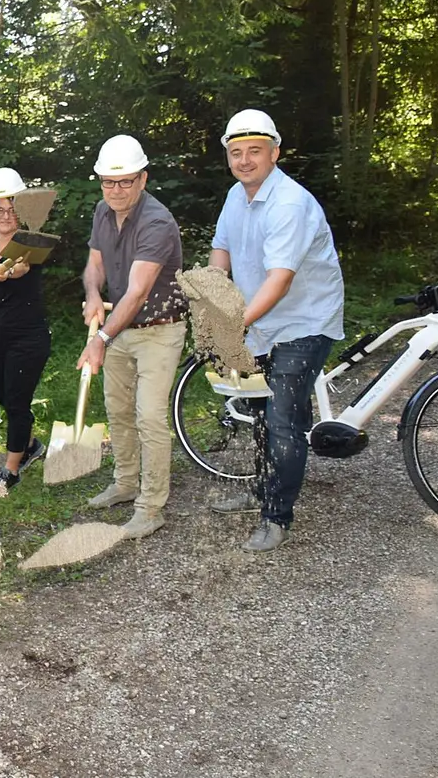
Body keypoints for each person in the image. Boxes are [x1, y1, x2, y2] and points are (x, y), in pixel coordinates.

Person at [207, 110, 345, 553]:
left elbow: (280, 280)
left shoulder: (289, 203)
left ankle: (276, 517)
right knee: (260, 412)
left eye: (254, 152)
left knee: (282, 418)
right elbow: (221, 250)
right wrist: (214, 298)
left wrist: (232, 324)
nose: (244, 160)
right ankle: (261, 488)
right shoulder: (235, 195)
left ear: (275, 153)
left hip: (303, 321)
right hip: (257, 321)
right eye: (236, 152)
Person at [77, 136, 189, 540]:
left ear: (143, 179)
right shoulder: (102, 213)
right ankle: (125, 484)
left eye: (125, 181)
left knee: (150, 417)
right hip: (119, 328)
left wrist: (100, 339)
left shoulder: (157, 222)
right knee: (118, 411)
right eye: (109, 181)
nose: (117, 189)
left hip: (159, 328)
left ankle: (151, 506)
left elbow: (139, 291)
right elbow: (95, 265)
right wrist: (93, 295)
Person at [0, 168, 50, 489]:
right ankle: (30, 444)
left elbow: (22, 267)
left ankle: (11, 468)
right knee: (2, 394)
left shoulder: (31, 241)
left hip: (29, 336)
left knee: (17, 401)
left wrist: (7, 270)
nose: (6, 214)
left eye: (12, 207)